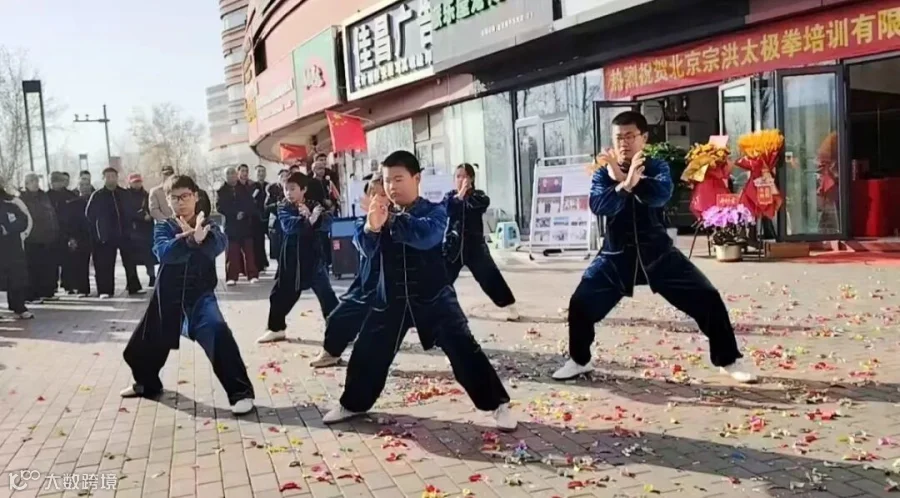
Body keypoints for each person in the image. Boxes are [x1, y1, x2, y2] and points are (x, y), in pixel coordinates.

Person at [551, 111, 756, 383]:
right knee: (580, 304)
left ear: (644, 138)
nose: (624, 143)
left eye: (630, 136)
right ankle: (579, 360)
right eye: (618, 137)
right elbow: (599, 206)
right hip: (615, 257)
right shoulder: (603, 173)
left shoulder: (657, 166)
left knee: (708, 298)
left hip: (658, 255)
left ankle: (728, 360)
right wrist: (623, 184)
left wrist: (632, 181)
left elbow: (660, 196)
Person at [321, 151, 515, 431]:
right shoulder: (379, 212)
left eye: (399, 179)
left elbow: (426, 236)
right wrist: (371, 227)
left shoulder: (434, 211)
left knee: (464, 351)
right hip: (390, 299)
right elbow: (363, 249)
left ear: (416, 178)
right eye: (387, 180)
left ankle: (497, 404)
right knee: (368, 351)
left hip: (434, 298)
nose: (392, 186)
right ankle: (353, 404)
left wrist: (389, 220)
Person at [120, 174, 256, 415]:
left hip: (199, 297)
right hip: (166, 297)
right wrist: (190, 241)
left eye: (185, 196)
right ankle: (146, 384)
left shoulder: (208, 225)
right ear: (168, 201)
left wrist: (202, 237)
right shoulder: (164, 226)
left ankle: (240, 394)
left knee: (218, 332)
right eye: (174, 198)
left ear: (195, 197)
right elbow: (163, 252)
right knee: (140, 348)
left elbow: (218, 246)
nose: (180, 202)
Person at [308, 173, 386, 368]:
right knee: (338, 317)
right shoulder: (363, 224)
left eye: (383, 194)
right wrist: (373, 226)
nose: (378, 199)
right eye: (374, 194)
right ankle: (331, 353)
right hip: (369, 285)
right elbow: (363, 246)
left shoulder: (403, 220)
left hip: (400, 287)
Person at [257, 172, 339, 344]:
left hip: (313, 256)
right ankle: (276, 329)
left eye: (293, 189)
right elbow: (289, 226)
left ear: (303, 189)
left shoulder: (314, 204)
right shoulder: (283, 206)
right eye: (286, 189)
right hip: (292, 257)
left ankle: (339, 330)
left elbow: (328, 221)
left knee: (327, 295)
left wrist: (314, 217)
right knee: (280, 294)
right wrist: (309, 220)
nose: (288, 193)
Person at [443, 163, 519, 321]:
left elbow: (480, 204)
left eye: (464, 176)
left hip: (475, 248)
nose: (461, 180)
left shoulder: (478, 196)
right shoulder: (450, 197)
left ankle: (509, 306)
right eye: (458, 176)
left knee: (490, 276)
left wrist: (466, 193)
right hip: (453, 246)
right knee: (441, 280)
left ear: (471, 179)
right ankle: (435, 314)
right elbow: (448, 209)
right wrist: (460, 194)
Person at [86, 167, 144, 298]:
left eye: (113, 176)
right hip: (106, 235)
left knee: (130, 262)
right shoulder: (97, 195)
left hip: (125, 233)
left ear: (117, 178)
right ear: (103, 179)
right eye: (108, 177)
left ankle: (134, 286)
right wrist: (98, 230)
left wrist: (132, 226)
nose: (111, 179)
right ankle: (105, 290)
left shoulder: (124, 194)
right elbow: (89, 215)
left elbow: (132, 211)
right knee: (105, 263)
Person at [20, 173, 61, 303]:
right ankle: (33, 295)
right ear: (26, 184)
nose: (35, 183)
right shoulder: (23, 198)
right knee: (33, 268)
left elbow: (51, 214)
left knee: (47, 267)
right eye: (32, 181)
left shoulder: (44, 196)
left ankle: (47, 292)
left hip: (47, 238)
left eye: (36, 181)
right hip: (32, 239)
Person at [216, 166, 258, 285]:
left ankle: (252, 275)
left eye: (233, 173)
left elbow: (250, 203)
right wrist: (234, 213)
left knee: (249, 252)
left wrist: (244, 213)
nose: (231, 175)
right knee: (232, 253)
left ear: (236, 174)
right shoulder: (221, 191)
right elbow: (220, 207)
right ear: (225, 176)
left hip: (245, 224)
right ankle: (231, 277)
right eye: (228, 173)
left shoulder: (244, 188)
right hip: (231, 225)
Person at [0, 179, 34, 319]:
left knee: (16, 278)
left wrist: (8, 228)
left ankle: (19, 307)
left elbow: (23, 220)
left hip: (12, 248)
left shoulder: (11, 203)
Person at [47, 172, 78, 294]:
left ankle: (68, 284)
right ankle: (52, 285)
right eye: (53, 181)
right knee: (52, 261)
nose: (55, 184)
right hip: (51, 233)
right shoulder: (46, 196)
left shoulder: (70, 196)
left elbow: (74, 215)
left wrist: (73, 234)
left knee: (68, 261)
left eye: (57, 181)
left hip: (66, 232)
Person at [125, 173, 157, 287]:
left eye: (138, 181)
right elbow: (126, 211)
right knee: (130, 258)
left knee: (148, 256)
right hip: (131, 230)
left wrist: (150, 216)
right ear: (130, 183)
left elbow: (152, 208)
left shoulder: (147, 195)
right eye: (134, 182)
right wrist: (140, 217)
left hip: (145, 230)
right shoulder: (125, 195)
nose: (137, 184)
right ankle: (132, 281)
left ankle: (152, 277)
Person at [63, 183, 93, 297]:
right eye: (82, 185)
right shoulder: (73, 204)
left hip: (95, 234)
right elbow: (69, 222)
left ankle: (104, 289)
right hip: (80, 236)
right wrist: (71, 237)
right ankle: (82, 289)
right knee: (81, 263)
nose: (85, 188)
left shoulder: (96, 200)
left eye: (87, 185)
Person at [265, 169, 288, 260]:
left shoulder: (292, 188)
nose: (284, 178)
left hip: (288, 222)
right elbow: (266, 207)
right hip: (276, 222)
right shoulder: (272, 189)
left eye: (286, 176)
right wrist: (277, 204)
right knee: (278, 249)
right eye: (282, 176)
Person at [251, 164, 270, 272]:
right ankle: (260, 264)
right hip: (256, 218)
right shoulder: (252, 186)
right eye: (259, 171)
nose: (261, 173)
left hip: (268, 217)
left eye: (263, 171)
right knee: (258, 242)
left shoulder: (269, 186)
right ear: (255, 173)